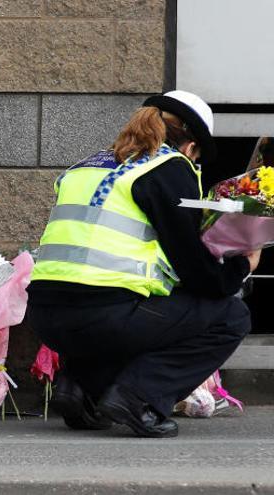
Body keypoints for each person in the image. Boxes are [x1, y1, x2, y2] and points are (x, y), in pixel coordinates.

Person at [26, 90, 261, 438]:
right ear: (191, 146)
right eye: (197, 158)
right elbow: (197, 274)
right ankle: (138, 399)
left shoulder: (89, 165)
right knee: (231, 317)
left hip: (45, 318)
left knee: (134, 311)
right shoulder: (169, 168)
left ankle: (80, 389)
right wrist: (242, 267)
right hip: (105, 315)